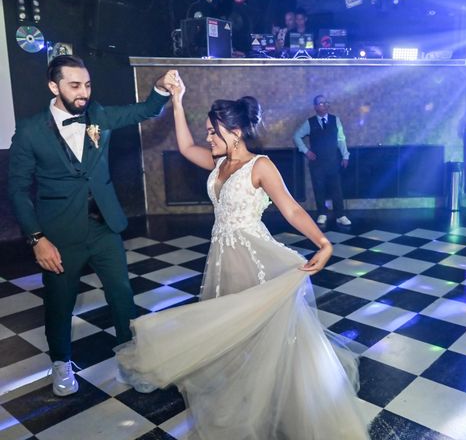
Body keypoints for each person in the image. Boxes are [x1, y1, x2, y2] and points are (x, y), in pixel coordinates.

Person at [115, 74, 369, 440]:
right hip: (221, 258)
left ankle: (283, 400)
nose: (207, 138)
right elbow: (185, 146)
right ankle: (245, 392)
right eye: (207, 132)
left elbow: (292, 210)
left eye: (212, 132)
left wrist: (324, 243)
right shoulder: (217, 164)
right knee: (229, 329)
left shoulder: (260, 166)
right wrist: (178, 100)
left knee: (261, 330)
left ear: (234, 132)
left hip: (254, 256)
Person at [7, 55, 177, 396]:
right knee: (60, 303)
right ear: (53, 86)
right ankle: (61, 362)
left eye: (87, 84)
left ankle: (130, 360)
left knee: (122, 295)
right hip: (59, 234)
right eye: (74, 85)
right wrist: (37, 238)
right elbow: (17, 188)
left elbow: (143, 111)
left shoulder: (98, 114)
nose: (83, 92)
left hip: (104, 227)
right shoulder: (30, 130)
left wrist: (160, 87)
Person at [293, 94, 351, 226]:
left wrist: (345, 155)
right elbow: (297, 136)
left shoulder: (335, 120)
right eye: (321, 103)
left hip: (333, 161)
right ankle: (322, 213)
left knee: (336, 188)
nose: (324, 105)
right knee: (319, 188)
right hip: (317, 163)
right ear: (315, 107)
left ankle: (340, 215)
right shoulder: (310, 122)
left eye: (326, 103)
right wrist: (306, 151)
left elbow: (341, 139)